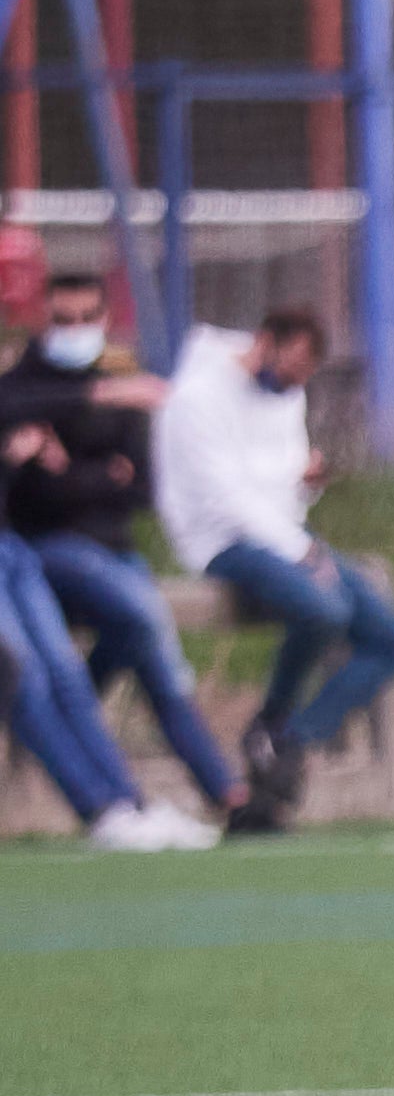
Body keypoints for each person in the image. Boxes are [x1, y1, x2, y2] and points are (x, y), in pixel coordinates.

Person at [153, 308, 394, 833]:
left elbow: (280, 485)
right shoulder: (198, 397)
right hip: (222, 542)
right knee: (323, 607)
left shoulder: (284, 393)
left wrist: (305, 483)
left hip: (285, 536)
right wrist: (300, 552)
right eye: (290, 368)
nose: (293, 384)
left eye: (303, 377)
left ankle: (287, 738)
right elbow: (224, 499)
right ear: (264, 342)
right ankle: (273, 720)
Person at [4, 271, 247, 822]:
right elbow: (33, 491)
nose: (73, 330)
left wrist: (73, 471)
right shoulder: (29, 382)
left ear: (105, 318)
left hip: (112, 549)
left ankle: (222, 793)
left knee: (155, 660)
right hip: (49, 548)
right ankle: (118, 802)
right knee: (128, 626)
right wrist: (98, 470)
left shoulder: (119, 373)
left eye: (85, 317)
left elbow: (142, 486)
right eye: (61, 319)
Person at [1, 422, 206, 849]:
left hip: (11, 548)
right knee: (25, 679)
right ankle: (98, 808)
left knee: (67, 676)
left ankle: (127, 804)